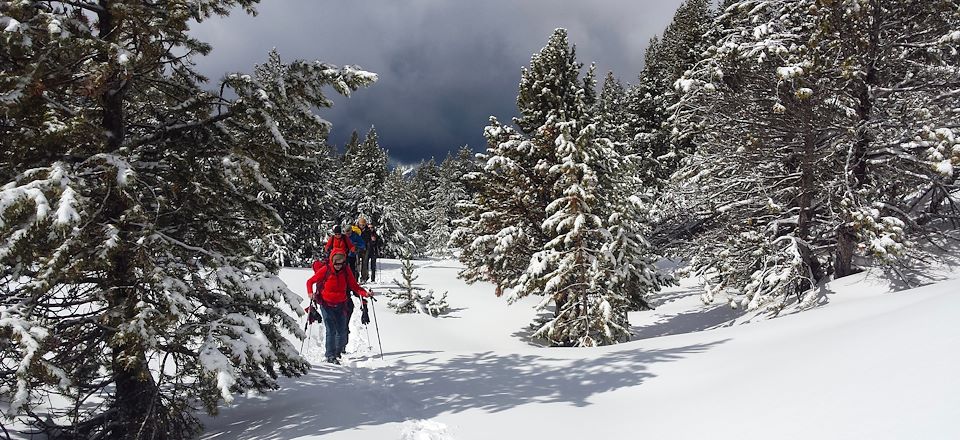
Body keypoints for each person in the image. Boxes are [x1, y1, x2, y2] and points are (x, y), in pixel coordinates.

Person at [306, 251, 372, 364]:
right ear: (332, 262)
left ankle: (337, 352)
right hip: (326, 305)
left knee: (342, 331)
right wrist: (310, 293)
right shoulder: (326, 270)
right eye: (336, 264)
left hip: (341, 305)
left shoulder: (346, 271)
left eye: (340, 264)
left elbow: (354, 286)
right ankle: (330, 355)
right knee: (331, 330)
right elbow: (310, 281)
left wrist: (365, 293)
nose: (338, 266)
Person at [358, 217, 372, 282]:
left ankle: (364, 277)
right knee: (357, 263)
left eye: (363, 225)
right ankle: (356, 277)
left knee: (365, 263)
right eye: (360, 224)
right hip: (357, 249)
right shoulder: (356, 230)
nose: (362, 226)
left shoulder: (368, 231)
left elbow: (370, 239)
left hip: (365, 249)